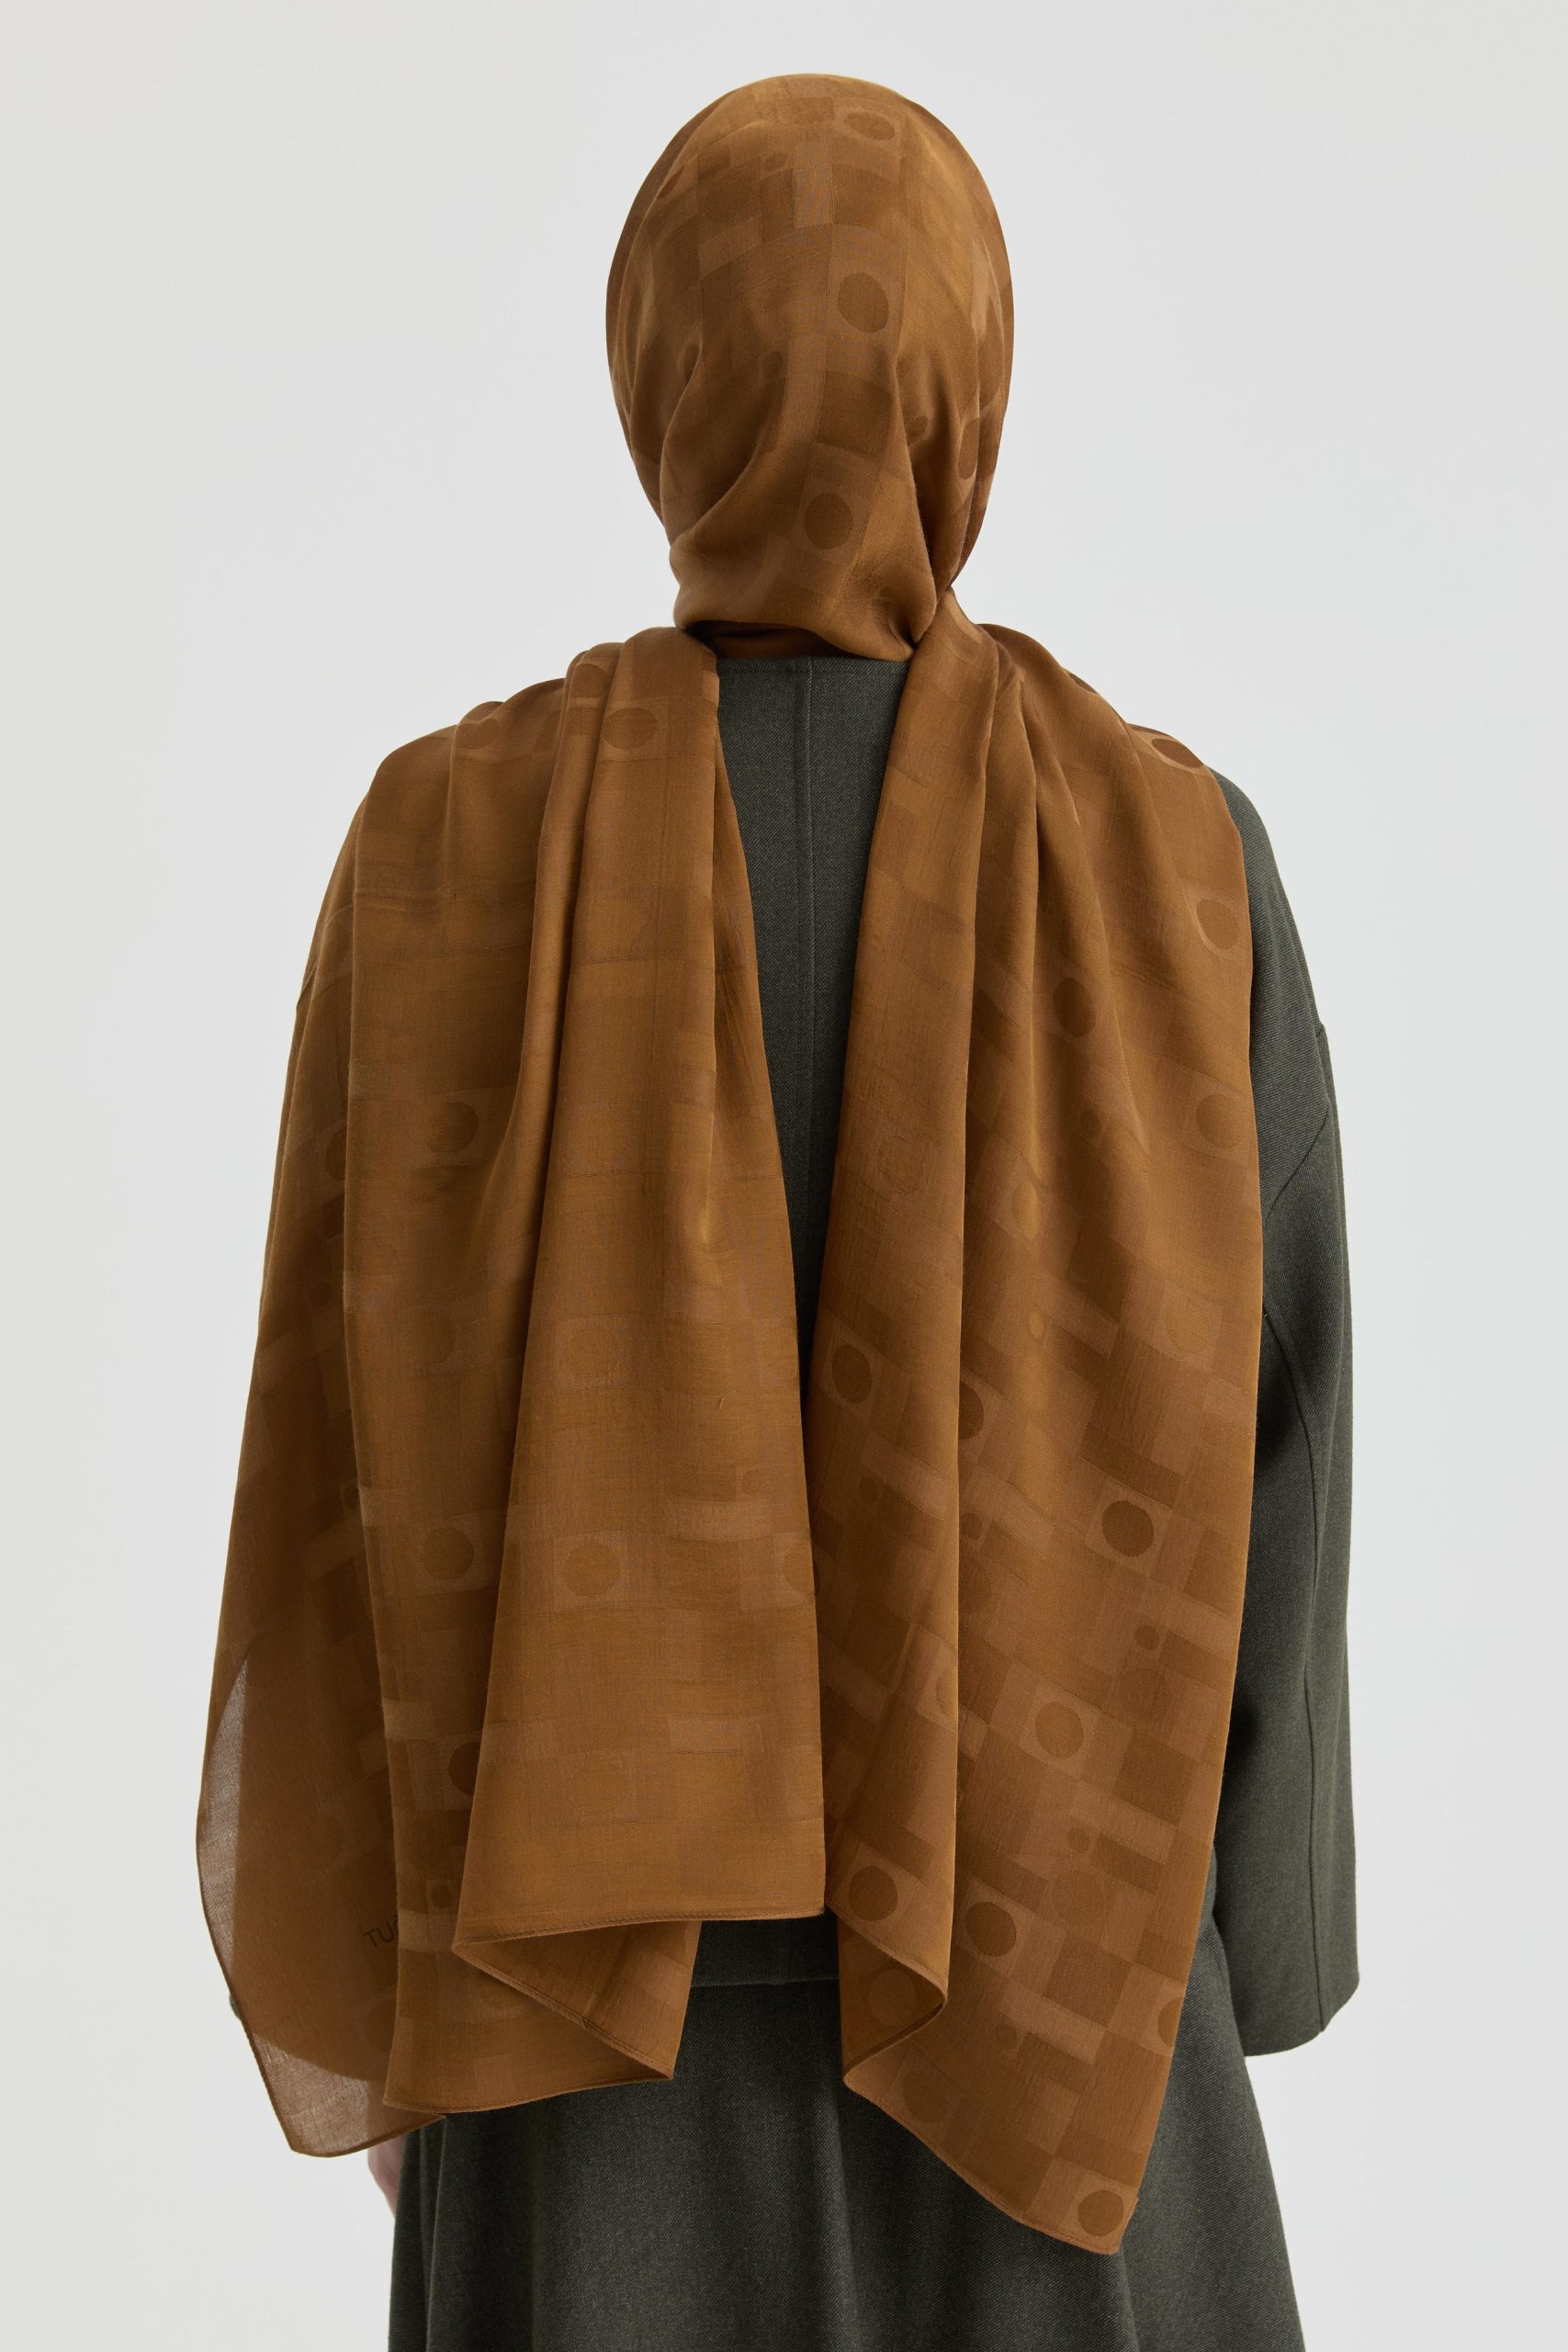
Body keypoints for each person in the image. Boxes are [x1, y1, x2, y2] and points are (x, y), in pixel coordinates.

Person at [201, 72, 1356, 2352]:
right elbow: (1280, 1441)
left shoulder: (437, 853)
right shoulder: (1177, 864)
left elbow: (322, 1476)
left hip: (568, 2047)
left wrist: (390, 1977)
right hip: (1069, 2032)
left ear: (659, 371)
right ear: (967, 376)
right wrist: (1245, 1940)